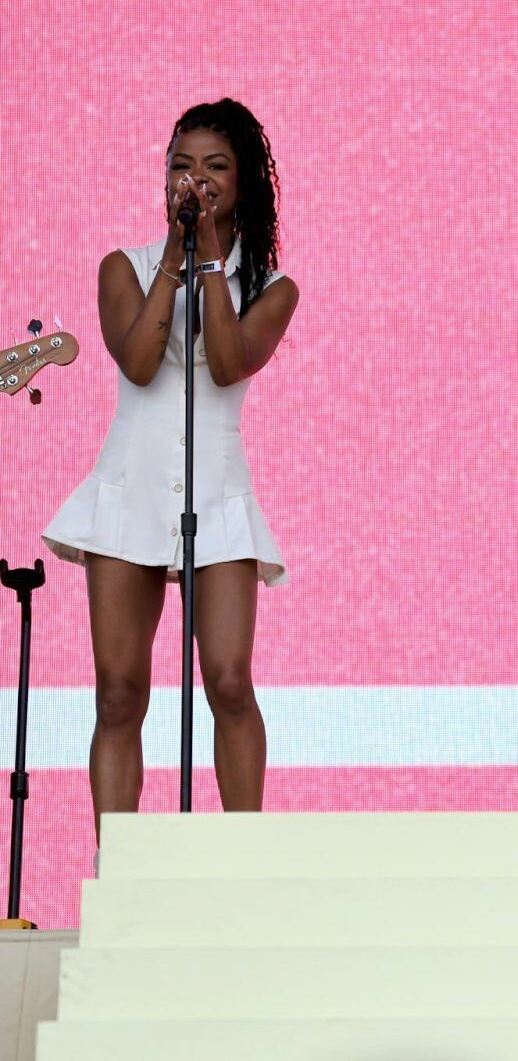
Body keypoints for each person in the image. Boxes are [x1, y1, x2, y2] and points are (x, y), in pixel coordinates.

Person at [43, 98, 299, 835]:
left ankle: (244, 862)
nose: (196, 180)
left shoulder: (273, 287)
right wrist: (173, 260)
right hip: (131, 487)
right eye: (182, 166)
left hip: (216, 492)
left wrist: (210, 260)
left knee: (229, 681)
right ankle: (117, 868)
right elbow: (139, 360)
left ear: (244, 184)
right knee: (119, 692)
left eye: (215, 167)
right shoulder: (123, 267)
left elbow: (227, 364)